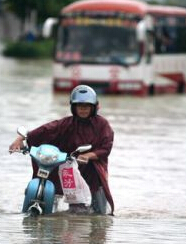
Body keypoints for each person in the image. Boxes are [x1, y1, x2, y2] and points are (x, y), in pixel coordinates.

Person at [9, 85, 115, 215]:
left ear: (93, 107)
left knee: (100, 215)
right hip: (69, 166)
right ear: (73, 107)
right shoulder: (66, 123)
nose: (83, 110)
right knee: (70, 209)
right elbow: (45, 131)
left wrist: (88, 156)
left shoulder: (102, 124)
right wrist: (22, 138)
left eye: (86, 106)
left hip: (92, 170)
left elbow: (106, 147)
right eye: (79, 106)